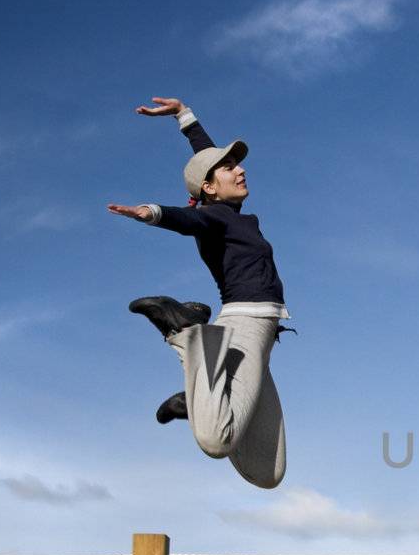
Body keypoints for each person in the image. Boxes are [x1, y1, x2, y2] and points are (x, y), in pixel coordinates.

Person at [107, 97, 290, 490]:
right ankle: (185, 334)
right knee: (215, 441)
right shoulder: (213, 218)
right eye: (228, 168)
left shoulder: (231, 216)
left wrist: (184, 117)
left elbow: (205, 161)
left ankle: (196, 400)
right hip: (244, 324)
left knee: (267, 472)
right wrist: (152, 212)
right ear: (209, 187)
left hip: (260, 338)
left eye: (237, 164)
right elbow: (188, 217)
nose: (239, 170)